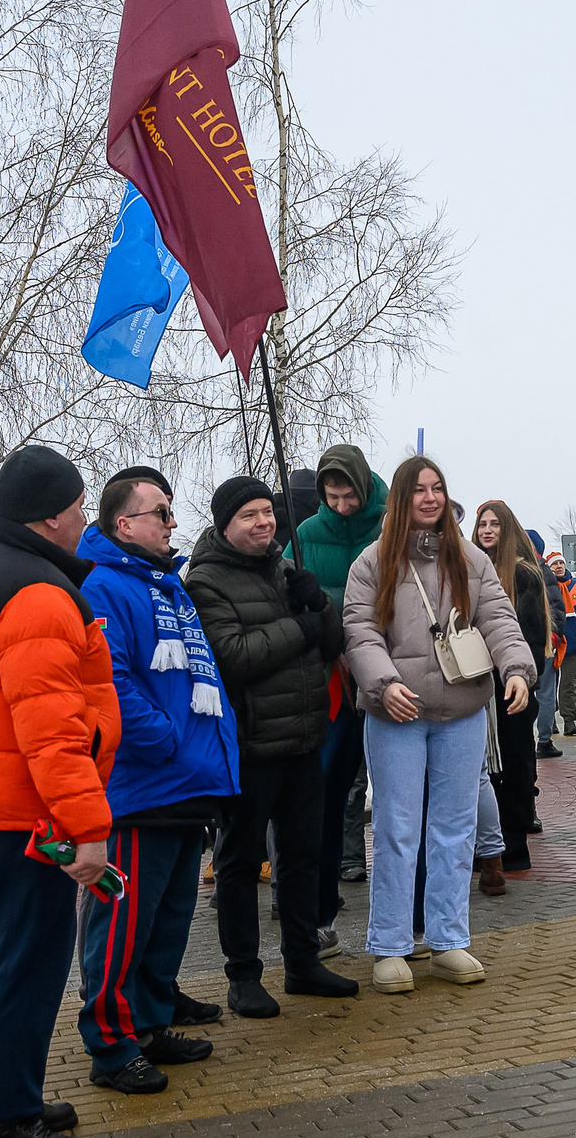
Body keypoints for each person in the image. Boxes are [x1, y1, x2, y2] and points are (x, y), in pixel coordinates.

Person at [0, 442, 115, 1138]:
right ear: (49, 515)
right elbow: (51, 728)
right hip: (26, 811)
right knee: (29, 965)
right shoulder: (39, 593)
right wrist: (87, 827)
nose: (84, 516)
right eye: (77, 504)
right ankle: (12, 1125)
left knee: (11, 960)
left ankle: (4, 1097)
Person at [343, 455, 535, 990]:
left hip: (462, 712)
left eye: (438, 489)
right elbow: (359, 631)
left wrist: (517, 669)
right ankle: (390, 946)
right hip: (397, 714)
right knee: (397, 830)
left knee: (455, 829)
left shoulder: (470, 559)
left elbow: (499, 619)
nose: (430, 498)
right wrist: (383, 684)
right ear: (401, 500)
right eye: (419, 490)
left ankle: (449, 939)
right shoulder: (372, 562)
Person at [76, 466, 238, 1093]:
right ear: (125, 525)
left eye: (170, 512)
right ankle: (111, 1045)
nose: (173, 523)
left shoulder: (168, 585)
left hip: (186, 783)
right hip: (143, 787)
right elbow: (109, 682)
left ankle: (147, 1022)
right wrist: (165, 739)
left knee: (168, 919)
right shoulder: (106, 588)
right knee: (122, 925)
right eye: (160, 513)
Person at [185, 474, 361, 1015]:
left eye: (267, 512)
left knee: (303, 856)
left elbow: (331, 644)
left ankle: (302, 961)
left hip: (304, 739)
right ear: (224, 525)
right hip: (248, 744)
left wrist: (322, 609)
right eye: (249, 516)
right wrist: (301, 629)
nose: (263, 522)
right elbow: (233, 655)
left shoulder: (287, 570)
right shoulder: (205, 581)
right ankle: (243, 975)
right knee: (238, 862)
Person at [298, 443, 387, 911]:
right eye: (331, 497)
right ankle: (322, 901)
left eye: (348, 495)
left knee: (396, 792)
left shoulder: (393, 521)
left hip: (392, 673)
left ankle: (403, 904)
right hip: (336, 677)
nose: (341, 506)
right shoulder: (308, 533)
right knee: (330, 787)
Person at [473, 500, 550, 869]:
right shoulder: (471, 570)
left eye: (494, 525)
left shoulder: (522, 575)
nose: (487, 530)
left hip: (512, 687)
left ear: (507, 531)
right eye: (482, 524)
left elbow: (531, 637)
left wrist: (518, 675)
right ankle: (487, 844)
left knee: (514, 764)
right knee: (484, 768)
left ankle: (514, 844)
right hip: (478, 687)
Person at [529, 532, 570, 759]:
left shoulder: (513, 568)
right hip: (544, 642)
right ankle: (544, 740)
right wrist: (554, 637)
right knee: (545, 692)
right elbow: (557, 607)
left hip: (520, 643)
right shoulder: (544, 571)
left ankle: (527, 737)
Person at [548, 550, 576, 739]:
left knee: (569, 685)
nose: (558, 567)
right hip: (550, 646)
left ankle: (569, 721)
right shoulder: (545, 587)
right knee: (549, 685)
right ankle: (549, 721)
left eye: (560, 563)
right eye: (554, 564)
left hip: (572, 645)